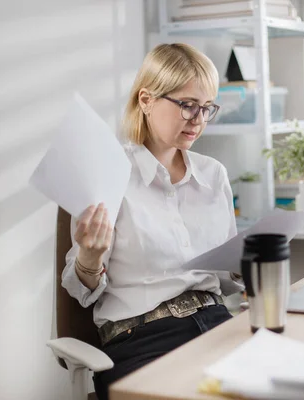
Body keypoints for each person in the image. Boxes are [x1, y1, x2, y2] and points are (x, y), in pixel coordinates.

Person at [61, 43, 243, 400]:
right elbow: (80, 291)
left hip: (216, 322)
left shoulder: (213, 174)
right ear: (146, 100)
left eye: (207, 108)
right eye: (188, 105)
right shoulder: (108, 173)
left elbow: (224, 280)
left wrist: (244, 266)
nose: (199, 120)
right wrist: (90, 257)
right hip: (143, 339)